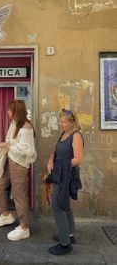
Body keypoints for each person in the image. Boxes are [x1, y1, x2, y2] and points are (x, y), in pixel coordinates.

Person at [0, 99, 37, 241]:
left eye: (9, 109)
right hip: (10, 160)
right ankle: (6, 215)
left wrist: (7, 145)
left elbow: (26, 151)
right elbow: (12, 142)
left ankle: (24, 227)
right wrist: (8, 146)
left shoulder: (25, 128)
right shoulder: (15, 124)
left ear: (16, 111)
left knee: (19, 196)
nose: (7, 112)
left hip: (19, 165)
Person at [46, 109, 84, 255]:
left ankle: (64, 244)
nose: (60, 124)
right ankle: (69, 234)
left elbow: (78, 159)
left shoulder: (76, 136)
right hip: (59, 173)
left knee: (58, 206)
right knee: (65, 205)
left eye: (63, 122)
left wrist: (61, 167)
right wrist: (50, 161)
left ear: (72, 123)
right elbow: (55, 151)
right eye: (60, 121)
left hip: (67, 174)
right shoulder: (63, 134)